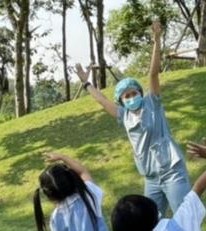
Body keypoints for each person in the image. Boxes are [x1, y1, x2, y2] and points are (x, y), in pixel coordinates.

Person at [75, 20, 190, 215]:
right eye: (126, 96)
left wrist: (156, 41)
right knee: (150, 224)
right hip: (151, 177)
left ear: (140, 92)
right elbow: (102, 100)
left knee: (186, 218)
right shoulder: (124, 115)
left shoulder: (152, 102)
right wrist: (87, 83)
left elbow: (153, 74)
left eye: (133, 93)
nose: (131, 97)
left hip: (172, 171)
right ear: (121, 100)